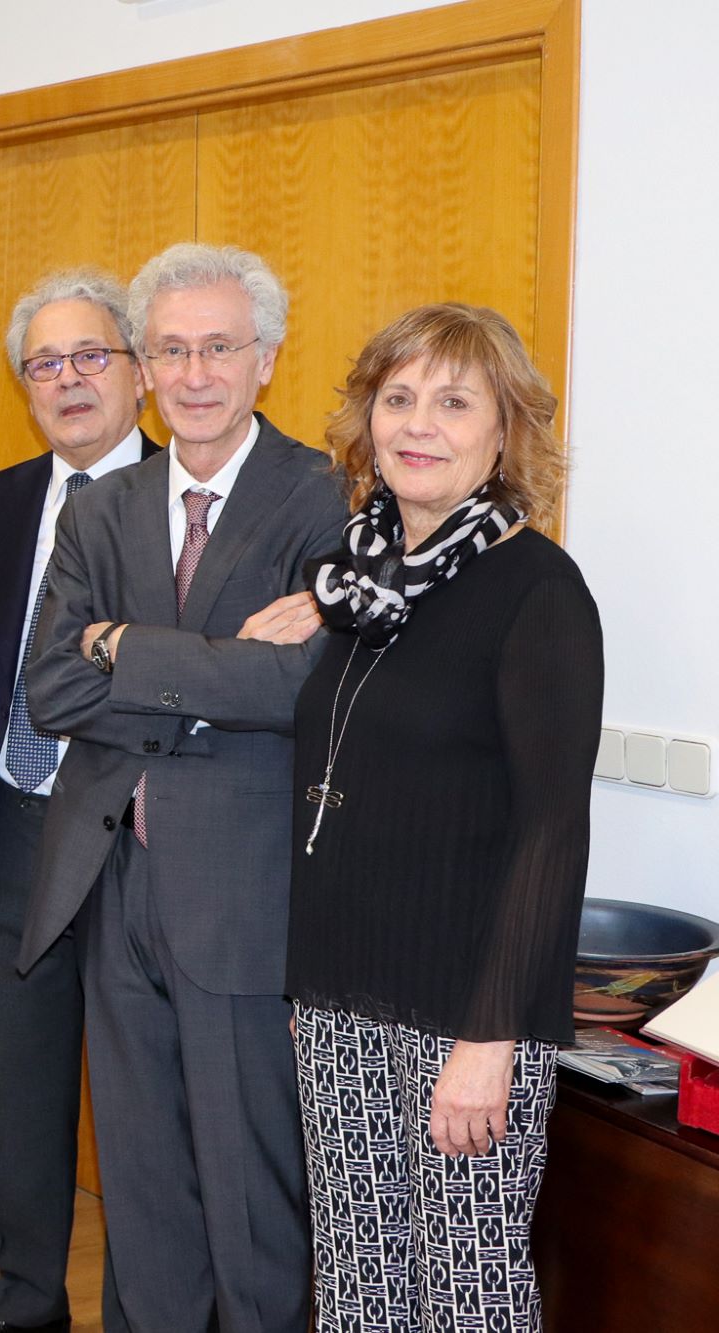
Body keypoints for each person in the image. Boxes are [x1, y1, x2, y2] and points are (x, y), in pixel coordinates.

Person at [19, 242, 344, 1332]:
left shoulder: (326, 496)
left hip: (244, 891)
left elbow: (297, 685)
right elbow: (50, 685)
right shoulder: (100, 508)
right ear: (144, 367)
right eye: (171, 350)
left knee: (251, 1195)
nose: (194, 374)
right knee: (143, 1179)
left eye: (219, 348)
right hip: (111, 878)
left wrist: (121, 644)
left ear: (266, 359)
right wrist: (211, 671)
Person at [288, 302, 602, 1330]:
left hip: (466, 1008)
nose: (417, 423)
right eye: (398, 397)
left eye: (454, 402)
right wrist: (311, 983)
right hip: (339, 993)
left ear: (504, 432)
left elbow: (551, 831)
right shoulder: (360, 583)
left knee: (464, 1288)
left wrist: (490, 1037)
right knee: (355, 1276)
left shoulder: (537, 590)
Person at [0, 268, 156, 1333]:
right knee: (22, 1093)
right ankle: (26, 1300)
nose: (68, 380)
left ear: (138, 372)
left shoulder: (186, 496)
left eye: (90, 356)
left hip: (133, 845)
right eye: (44, 364)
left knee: (138, 1109)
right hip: (16, 830)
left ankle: (138, 1309)